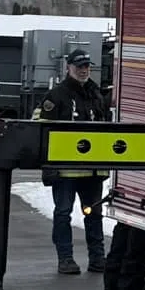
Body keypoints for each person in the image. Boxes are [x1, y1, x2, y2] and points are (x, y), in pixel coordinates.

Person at [36, 50, 108, 276]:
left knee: (94, 214)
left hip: (92, 170)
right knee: (63, 213)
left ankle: (97, 259)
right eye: (79, 66)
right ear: (68, 67)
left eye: (87, 65)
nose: (84, 70)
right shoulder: (55, 96)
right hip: (65, 171)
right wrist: (49, 167)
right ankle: (65, 259)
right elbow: (41, 131)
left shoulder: (96, 94)